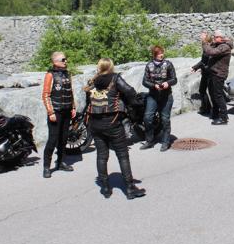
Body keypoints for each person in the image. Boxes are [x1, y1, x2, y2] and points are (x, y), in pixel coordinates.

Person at [84, 58, 146, 199]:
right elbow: (130, 91)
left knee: (102, 155)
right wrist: (130, 102)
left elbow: (89, 101)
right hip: (112, 122)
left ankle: (105, 188)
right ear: (111, 67)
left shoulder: (93, 81)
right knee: (122, 155)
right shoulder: (115, 78)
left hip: (95, 123)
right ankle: (130, 188)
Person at [41, 52, 76, 178]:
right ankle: (46, 167)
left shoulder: (67, 74)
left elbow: (70, 91)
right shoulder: (50, 75)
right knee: (52, 140)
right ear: (55, 61)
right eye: (63, 59)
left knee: (64, 139)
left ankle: (60, 162)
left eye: (66, 59)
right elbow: (45, 95)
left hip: (67, 111)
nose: (66, 61)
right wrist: (50, 112)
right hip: (56, 112)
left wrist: (73, 107)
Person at [140, 46, 177, 151]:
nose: (161, 55)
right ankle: (149, 140)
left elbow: (174, 79)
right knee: (147, 118)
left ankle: (165, 142)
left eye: (162, 53)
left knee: (165, 119)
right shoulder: (149, 65)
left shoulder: (168, 64)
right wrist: (153, 85)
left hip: (166, 96)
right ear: (154, 54)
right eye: (159, 53)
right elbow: (144, 81)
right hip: (153, 95)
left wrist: (168, 83)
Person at [201, 30, 233, 125]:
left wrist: (204, 41)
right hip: (213, 73)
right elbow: (208, 50)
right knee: (213, 94)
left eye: (215, 37)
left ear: (221, 38)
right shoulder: (218, 44)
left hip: (219, 74)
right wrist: (207, 39)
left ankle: (224, 118)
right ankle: (215, 113)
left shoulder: (225, 47)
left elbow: (211, 52)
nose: (213, 38)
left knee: (218, 95)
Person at [191, 33, 212, 116]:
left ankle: (207, 108)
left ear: (206, 39)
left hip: (208, 72)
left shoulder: (207, 47)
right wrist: (196, 67)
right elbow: (204, 60)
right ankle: (207, 108)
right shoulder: (207, 46)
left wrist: (195, 67)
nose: (200, 36)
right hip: (206, 71)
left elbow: (204, 60)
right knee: (203, 90)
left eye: (202, 36)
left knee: (204, 90)